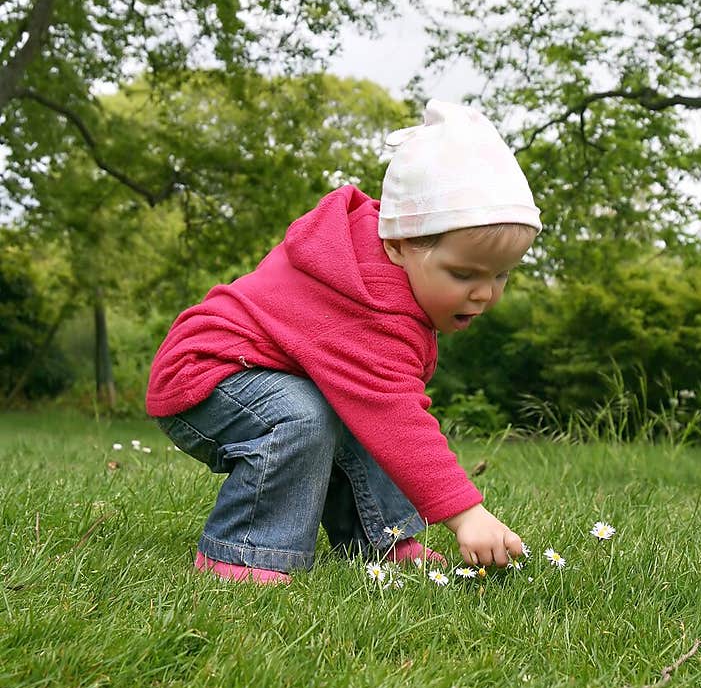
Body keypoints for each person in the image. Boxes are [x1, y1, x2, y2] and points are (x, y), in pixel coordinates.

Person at [145, 99, 541, 584]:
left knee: (352, 413)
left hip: (261, 371)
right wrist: (465, 513)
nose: (484, 293)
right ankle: (246, 555)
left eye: (501, 275)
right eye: (463, 274)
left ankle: (381, 542)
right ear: (398, 245)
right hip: (207, 374)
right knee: (303, 415)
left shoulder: (389, 267)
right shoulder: (370, 300)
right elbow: (396, 417)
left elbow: (383, 415)